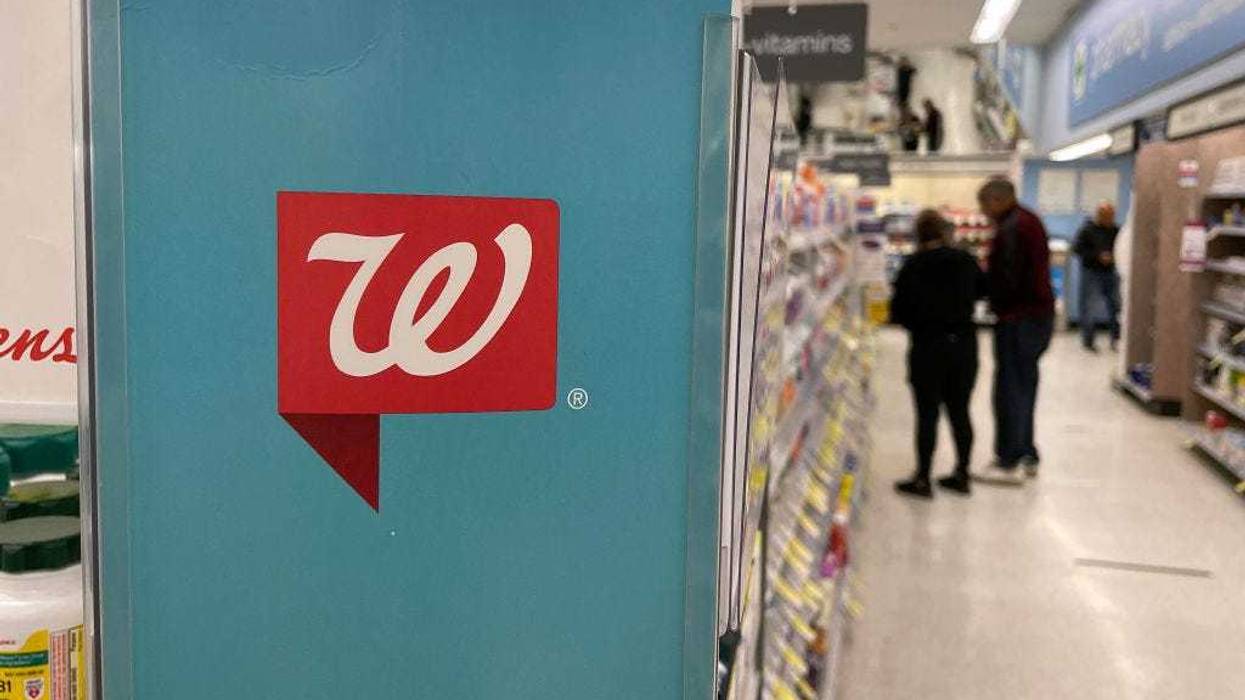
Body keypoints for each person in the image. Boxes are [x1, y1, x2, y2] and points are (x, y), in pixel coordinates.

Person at [891, 210, 987, 499]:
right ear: (945, 232)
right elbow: (983, 292)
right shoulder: (966, 260)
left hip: (927, 346)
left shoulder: (913, 264)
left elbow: (899, 311)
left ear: (918, 235)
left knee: (927, 414)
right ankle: (962, 474)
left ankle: (923, 477)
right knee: (960, 411)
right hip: (963, 345)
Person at [977, 178, 1055, 484]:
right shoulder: (1028, 220)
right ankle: (1026, 452)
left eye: (984, 206)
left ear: (997, 200)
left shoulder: (1012, 228)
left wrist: (989, 298)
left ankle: (1009, 458)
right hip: (1036, 316)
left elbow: (1007, 277)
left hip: (1019, 318)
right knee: (1024, 385)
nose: (983, 213)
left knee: (1010, 388)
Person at [1072, 202, 1121, 352]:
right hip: (1091, 272)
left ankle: (1116, 339)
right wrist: (1097, 256)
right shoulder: (1087, 229)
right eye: (1106, 215)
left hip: (1111, 272)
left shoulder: (1116, 230)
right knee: (1089, 307)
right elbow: (1077, 249)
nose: (1109, 219)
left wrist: (1113, 257)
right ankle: (1088, 340)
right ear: (1099, 214)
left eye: (1111, 216)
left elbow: (1121, 249)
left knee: (1116, 306)